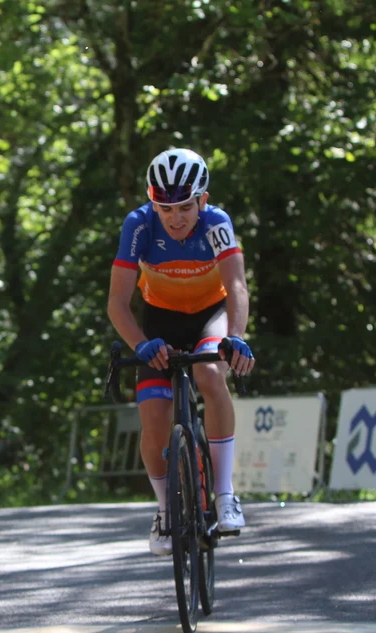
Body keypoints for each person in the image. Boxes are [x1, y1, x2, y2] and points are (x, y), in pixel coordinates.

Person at [107, 148, 255, 557]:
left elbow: (236, 286)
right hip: (160, 323)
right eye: (166, 208)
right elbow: (117, 303)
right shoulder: (139, 225)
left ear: (203, 200)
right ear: (152, 202)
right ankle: (163, 510)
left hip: (210, 316)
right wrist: (141, 344)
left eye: (186, 207)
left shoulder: (216, 223)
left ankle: (224, 494)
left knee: (210, 374)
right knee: (154, 418)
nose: (175, 218)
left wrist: (235, 337)